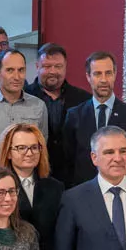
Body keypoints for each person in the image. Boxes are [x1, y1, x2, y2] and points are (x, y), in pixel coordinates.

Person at [63, 52, 126, 187]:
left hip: (119, 192)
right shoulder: (74, 116)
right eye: (97, 74)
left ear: (115, 74)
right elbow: (67, 161)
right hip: (83, 192)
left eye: (108, 73)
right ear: (88, 77)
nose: (103, 80)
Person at [0, 49, 48, 172]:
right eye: (10, 70)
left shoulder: (38, 106)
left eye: (21, 70)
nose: (17, 77)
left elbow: (41, 148)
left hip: (26, 180)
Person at [24, 43, 91, 187]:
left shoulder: (84, 100)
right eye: (47, 66)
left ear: (65, 67)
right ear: (37, 67)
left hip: (74, 182)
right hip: (33, 179)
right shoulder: (23, 97)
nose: (53, 71)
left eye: (58, 66)